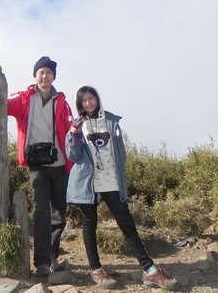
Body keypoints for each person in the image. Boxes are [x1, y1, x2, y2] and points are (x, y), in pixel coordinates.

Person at [66, 85, 177, 290]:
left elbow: (121, 153)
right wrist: (74, 134)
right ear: (79, 104)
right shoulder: (78, 125)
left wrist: (122, 179)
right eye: (84, 101)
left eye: (91, 98)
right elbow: (72, 156)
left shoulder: (111, 121)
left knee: (127, 225)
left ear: (97, 99)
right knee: (90, 225)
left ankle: (149, 270)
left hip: (111, 182)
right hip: (88, 183)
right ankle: (96, 270)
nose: (88, 103)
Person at [0, 56, 74, 276]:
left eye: (49, 72)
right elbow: (0, 101)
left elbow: (70, 131)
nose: (45, 76)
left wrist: (74, 160)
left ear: (54, 76)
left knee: (60, 213)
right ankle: (43, 262)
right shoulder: (25, 98)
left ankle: (52, 256)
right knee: (42, 212)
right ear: (35, 75)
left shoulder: (62, 101)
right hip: (37, 165)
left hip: (60, 164)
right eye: (41, 72)